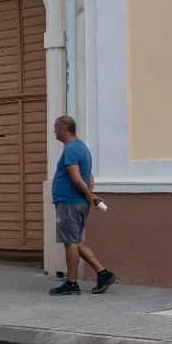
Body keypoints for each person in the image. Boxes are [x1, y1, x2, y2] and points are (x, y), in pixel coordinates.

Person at [48, 115, 116, 296]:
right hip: (78, 202)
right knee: (76, 241)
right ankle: (103, 273)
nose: (53, 130)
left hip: (69, 202)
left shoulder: (71, 149)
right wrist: (89, 195)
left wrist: (90, 195)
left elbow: (77, 178)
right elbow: (90, 177)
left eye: (55, 127)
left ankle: (71, 284)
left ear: (64, 128)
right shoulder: (83, 148)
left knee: (70, 243)